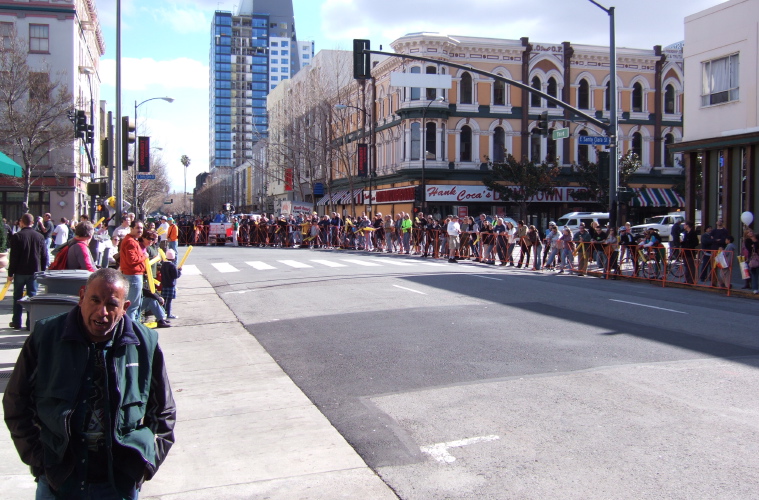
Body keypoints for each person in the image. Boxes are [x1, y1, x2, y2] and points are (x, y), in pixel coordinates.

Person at [3, 268, 176, 499]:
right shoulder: (46, 336)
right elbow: (16, 401)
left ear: (124, 308)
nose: (101, 312)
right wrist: (39, 460)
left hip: (118, 481)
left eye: (112, 304)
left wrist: (145, 464)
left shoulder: (144, 343)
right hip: (59, 478)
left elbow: (164, 411)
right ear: (82, 296)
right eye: (94, 300)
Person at [7, 213, 49, 330]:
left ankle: (16, 321)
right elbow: (44, 256)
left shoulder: (17, 236)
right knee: (32, 296)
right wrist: (43, 270)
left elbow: (13, 257)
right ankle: (30, 322)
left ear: (22, 222)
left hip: (20, 271)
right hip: (34, 271)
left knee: (17, 297)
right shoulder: (39, 236)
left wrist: (10, 273)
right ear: (32, 222)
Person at [119, 220, 146, 322]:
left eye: (141, 228)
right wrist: (144, 257)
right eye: (138, 228)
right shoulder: (130, 241)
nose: (140, 230)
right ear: (131, 228)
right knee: (132, 306)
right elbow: (132, 260)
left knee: (133, 305)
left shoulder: (132, 240)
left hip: (133, 275)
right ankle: (131, 330)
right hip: (133, 276)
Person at [161, 249, 182, 319]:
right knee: (169, 300)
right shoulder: (172, 266)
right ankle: (169, 314)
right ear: (174, 258)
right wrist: (179, 271)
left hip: (164, 284)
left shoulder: (163, 265)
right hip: (171, 285)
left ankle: (162, 313)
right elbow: (176, 276)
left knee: (164, 300)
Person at [681, 220, 700, 285]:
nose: (684, 226)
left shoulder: (693, 233)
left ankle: (691, 279)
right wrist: (682, 243)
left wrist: (689, 246)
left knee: (690, 265)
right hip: (685, 251)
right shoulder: (686, 233)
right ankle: (687, 279)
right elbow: (685, 241)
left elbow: (696, 242)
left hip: (690, 251)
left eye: (685, 225)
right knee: (686, 265)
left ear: (687, 225)